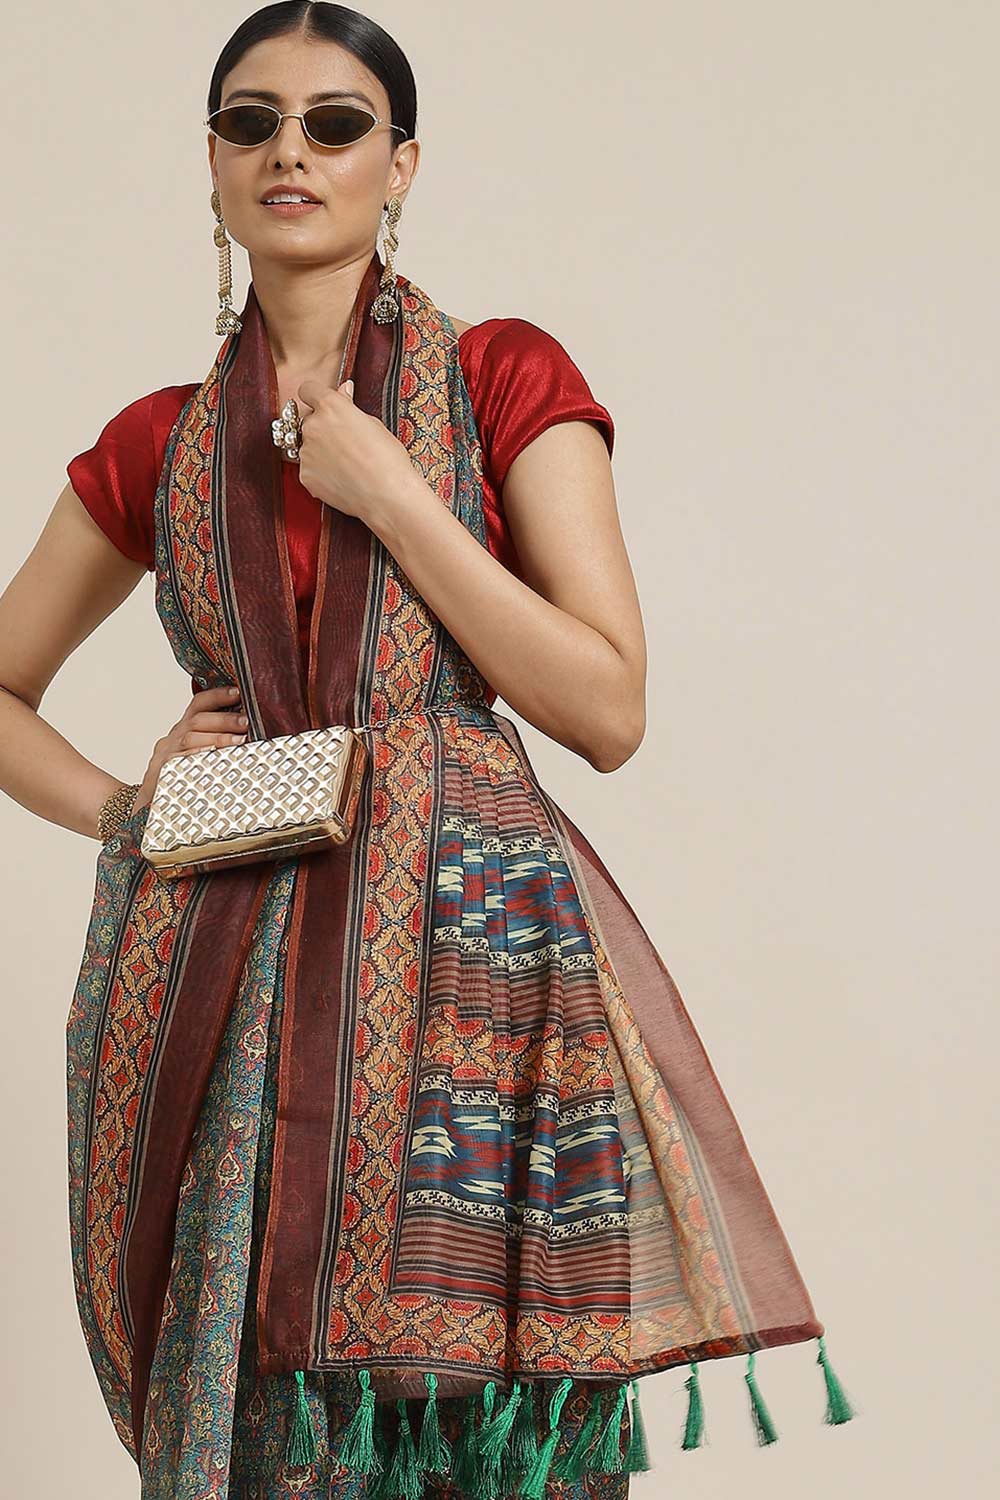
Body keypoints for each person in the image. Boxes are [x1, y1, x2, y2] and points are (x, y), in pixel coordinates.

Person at [0, 4, 855, 1496]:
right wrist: (129, 805)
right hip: (217, 964)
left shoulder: (502, 377)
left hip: (473, 965)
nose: (290, 151)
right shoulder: (163, 440)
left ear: (400, 165)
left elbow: (605, 707)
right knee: (255, 1417)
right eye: (252, 121)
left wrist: (392, 490)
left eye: (336, 124)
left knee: (472, 1419)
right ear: (212, 161)